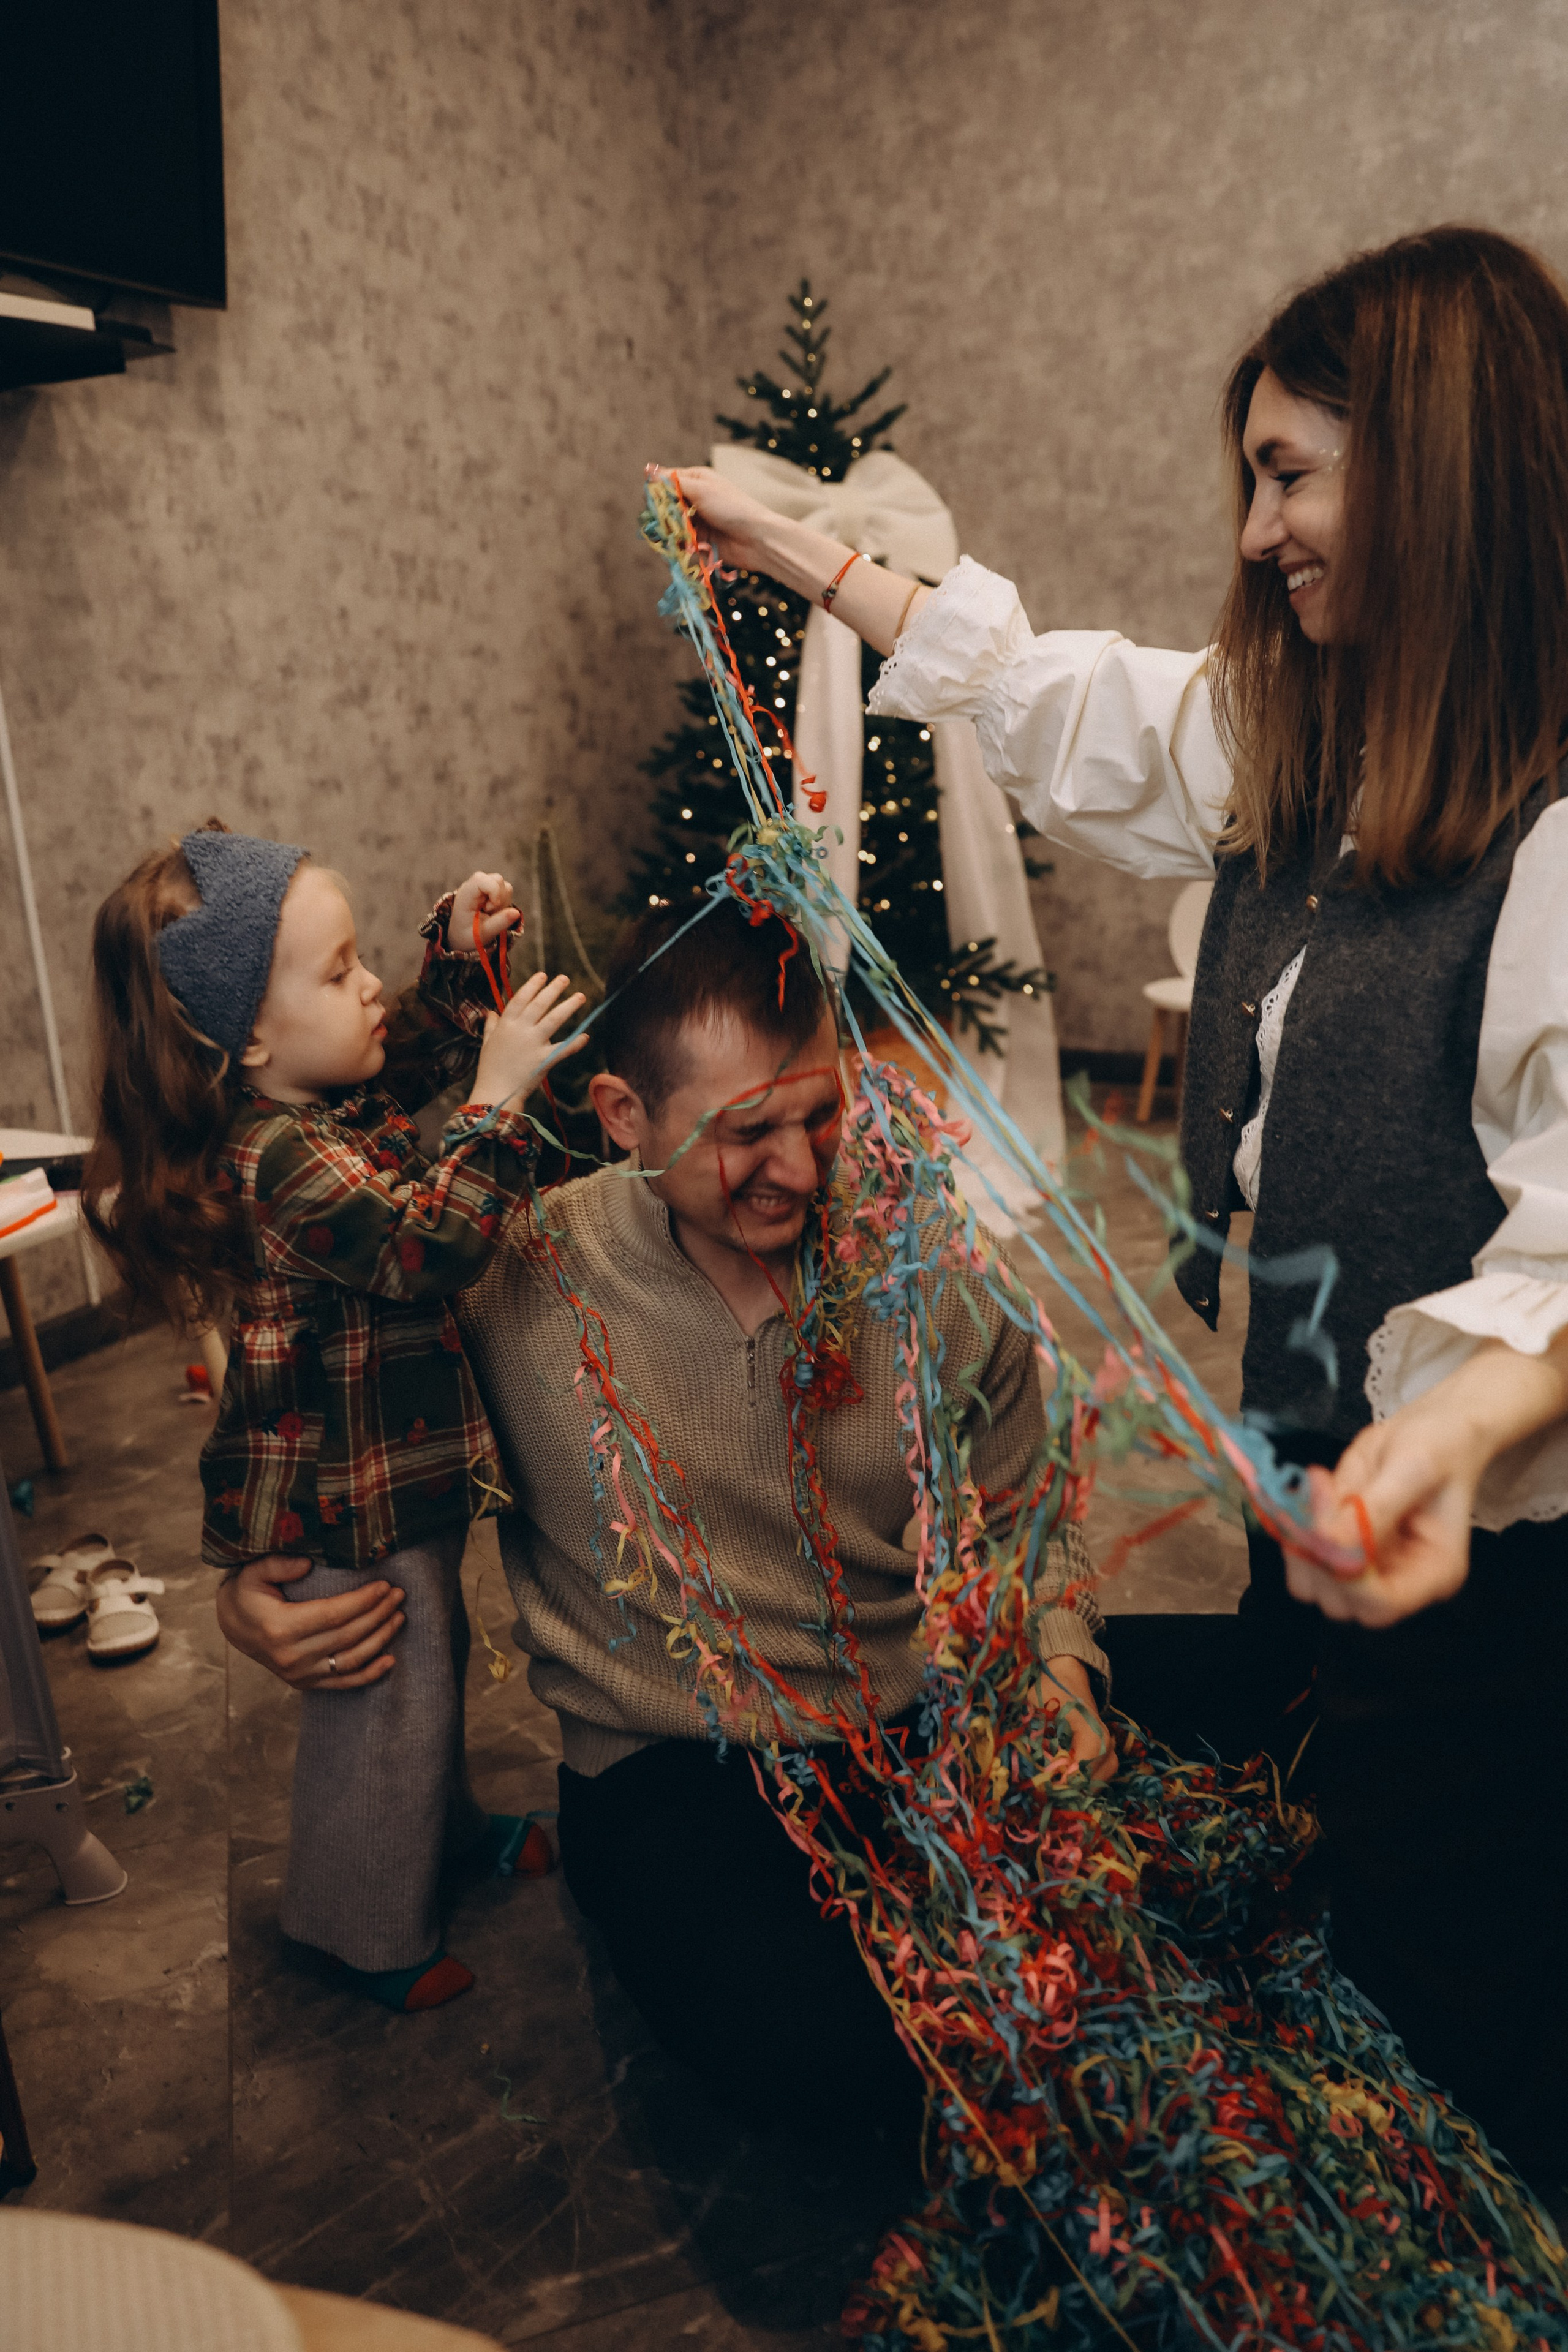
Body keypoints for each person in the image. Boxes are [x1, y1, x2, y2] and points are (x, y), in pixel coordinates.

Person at [655, 224, 1568, 2191]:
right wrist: (795, 549)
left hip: (1504, 1560)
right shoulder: (1313, 737)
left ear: (1441, 473)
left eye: (1290, 475)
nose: (1254, 533)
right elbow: (1067, 699)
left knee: (1469, 1965)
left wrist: (1458, 1431)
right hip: (1338, 1488)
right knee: (1342, 1857)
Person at [219, 893, 1114, 2138]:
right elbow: (318, 1390)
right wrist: (249, 1579)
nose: (800, 1170)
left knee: (1281, 1705)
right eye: (747, 1133)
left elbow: (1027, 1502)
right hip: (676, 1763)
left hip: (913, 1708)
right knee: (827, 2063)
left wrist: (1062, 1671)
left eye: (819, 1116)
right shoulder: (523, 1273)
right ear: (621, 1115)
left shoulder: (912, 1258)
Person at [86, 820, 586, 2010]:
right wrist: (498, 1101)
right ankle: (357, 1924)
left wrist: (455, 956)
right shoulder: (279, 1158)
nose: (370, 989)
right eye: (341, 969)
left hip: (388, 1470)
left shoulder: (311, 1100)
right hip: (342, 1497)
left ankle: (439, 1832)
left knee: (425, 1672)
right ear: (249, 1038)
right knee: (384, 1707)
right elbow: (430, 1244)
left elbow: (404, 1045)